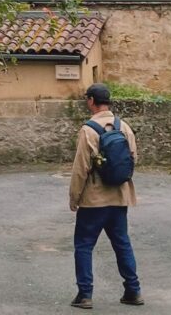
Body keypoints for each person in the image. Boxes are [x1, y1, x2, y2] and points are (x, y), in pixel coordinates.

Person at [68, 83, 143, 308]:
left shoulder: (88, 130)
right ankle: (133, 290)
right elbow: (133, 160)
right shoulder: (125, 127)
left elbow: (81, 168)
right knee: (122, 244)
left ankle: (85, 294)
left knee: (84, 244)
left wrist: (74, 198)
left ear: (91, 101)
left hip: (94, 200)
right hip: (119, 198)